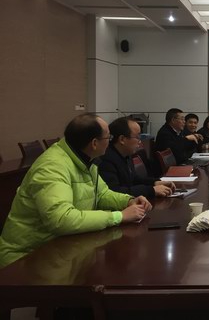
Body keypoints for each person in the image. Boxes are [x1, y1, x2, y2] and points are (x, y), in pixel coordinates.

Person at [0, 113, 152, 268]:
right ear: (94, 143)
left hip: (60, 249)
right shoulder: (52, 167)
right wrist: (119, 216)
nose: (111, 141)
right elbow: (61, 219)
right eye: (108, 137)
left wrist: (128, 201)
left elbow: (102, 194)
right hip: (25, 258)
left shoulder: (87, 159)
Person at [99, 117, 175, 198]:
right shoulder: (106, 160)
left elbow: (134, 179)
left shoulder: (126, 154)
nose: (140, 141)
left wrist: (155, 182)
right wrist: (151, 190)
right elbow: (114, 191)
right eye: (137, 137)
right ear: (122, 139)